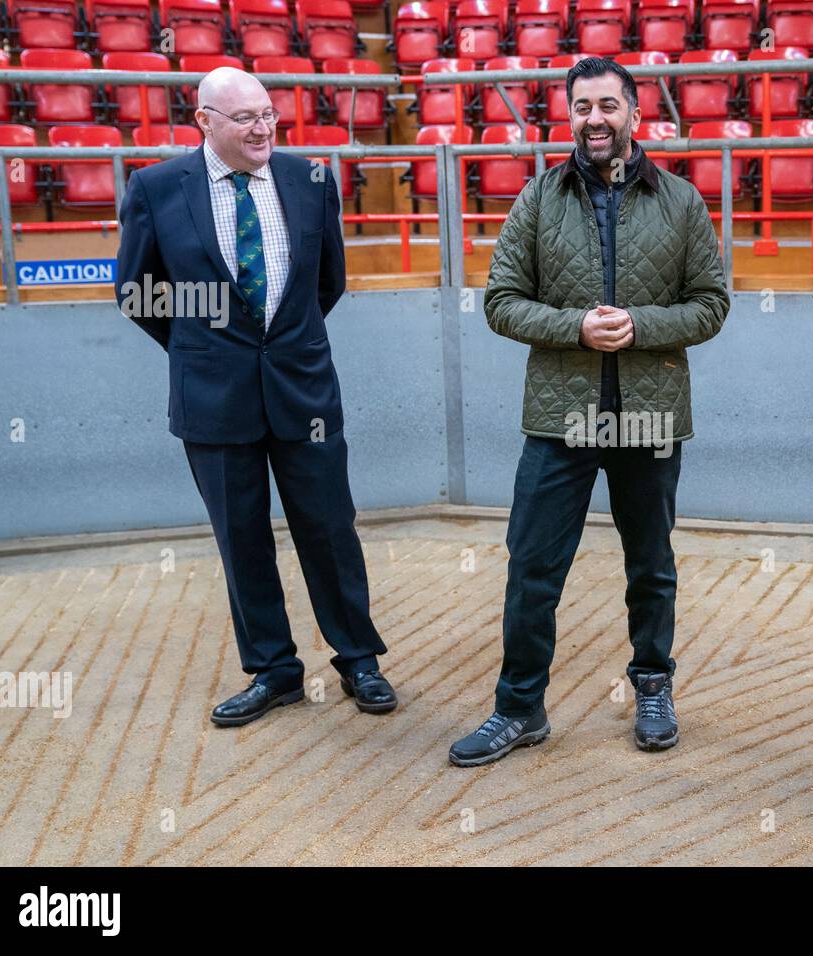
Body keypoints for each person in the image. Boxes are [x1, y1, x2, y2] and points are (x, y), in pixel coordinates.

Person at [448, 57, 730, 766]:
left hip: (650, 417)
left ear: (636, 114)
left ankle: (654, 687)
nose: (594, 119)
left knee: (650, 565)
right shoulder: (538, 198)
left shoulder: (681, 201)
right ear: (568, 115)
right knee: (533, 566)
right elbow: (500, 301)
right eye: (581, 107)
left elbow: (712, 304)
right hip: (561, 417)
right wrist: (574, 326)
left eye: (608, 105)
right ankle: (518, 708)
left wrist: (642, 327)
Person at [115, 67, 397, 727]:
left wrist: (281, 345)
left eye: (268, 113)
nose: (263, 127)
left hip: (304, 390)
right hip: (212, 397)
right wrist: (204, 346)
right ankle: (274, 671)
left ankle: (359, 658)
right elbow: (139, 293)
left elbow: (328, 283)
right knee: (241, 539)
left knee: (330, 530)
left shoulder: (311, 179)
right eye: (244, 118)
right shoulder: (155, 188)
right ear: (205, 121)